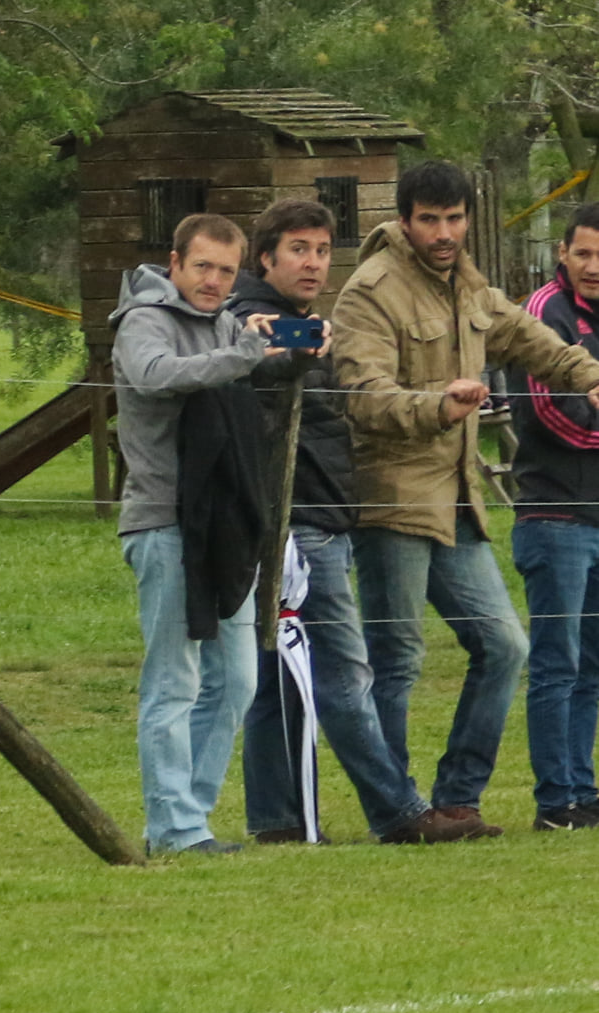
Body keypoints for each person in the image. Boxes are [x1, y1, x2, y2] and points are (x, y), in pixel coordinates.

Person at [333, 161, 599, 837]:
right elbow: (362, 397)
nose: (444, 233)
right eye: (430, 219)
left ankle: (457, 798)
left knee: (505, 645)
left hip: (458, 499)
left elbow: (541, 346)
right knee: (397, 659)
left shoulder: (470, 286)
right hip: (393, 498)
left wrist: (593, 377)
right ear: (404, 220)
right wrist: (437, 407)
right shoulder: (370, 291)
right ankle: (398, 811)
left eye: (454, 219)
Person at [231, 200, 480, 846]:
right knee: (346, 670)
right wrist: (280, 335)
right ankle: (397, 809)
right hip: (300, 519)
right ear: (266, 257)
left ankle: (277, 818)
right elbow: (248, 345)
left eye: (321, 250)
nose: (313, 263)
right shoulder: (255, 319)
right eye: (298, 250)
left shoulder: (302, 321)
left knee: (276, 678)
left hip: (311, 513)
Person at [112, 212, 277, 854]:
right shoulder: (143, 320)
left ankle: (192, 819)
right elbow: (155, 376)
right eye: (202, 265)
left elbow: (252, 374)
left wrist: (289, 351)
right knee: (174, 681)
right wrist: (243, 353)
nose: (213, 281)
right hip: (165, 523)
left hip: (226, 528)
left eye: (226, 271)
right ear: (174, 261)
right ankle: (174, 829)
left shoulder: (229, 323)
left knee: (237, 679)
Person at [508, 203, 599, 831]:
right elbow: (550, 411)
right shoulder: (544, 313)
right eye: (584, 253)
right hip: (554, 511)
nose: (593, 266)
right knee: (555, 661)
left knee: (592, 662)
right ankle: (553, 800)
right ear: (562, 253)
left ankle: (583, 790)